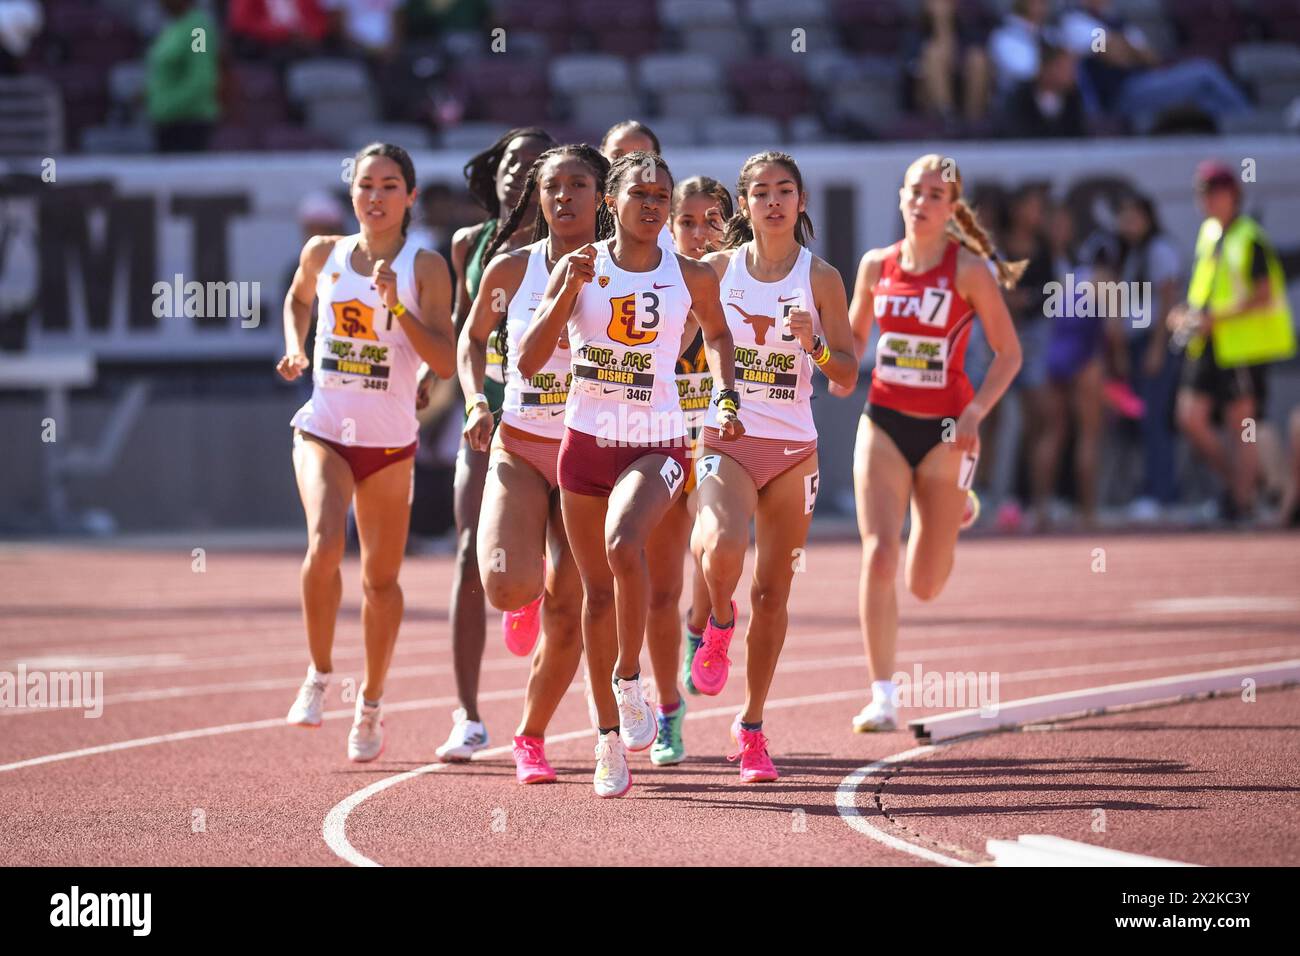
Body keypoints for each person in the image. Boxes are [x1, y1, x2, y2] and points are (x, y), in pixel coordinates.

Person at [516, 151, 741, 798]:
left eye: (661, 196)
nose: (653, 205)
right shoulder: (576, 266)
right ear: (610, 201)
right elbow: (530, 363)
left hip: (658, 442)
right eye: (640, 193)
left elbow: (721, 337)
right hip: (584, 444)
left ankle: (633, 676)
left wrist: (724, 395)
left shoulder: (691, 273)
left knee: (623, 544)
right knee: (596, 596)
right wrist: (564, 293)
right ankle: (610, 739)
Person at [278, 142, 456, 761]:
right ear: (351, 194)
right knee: (326, 542)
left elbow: (443, 360)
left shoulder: (425, 266)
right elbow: (299, 297)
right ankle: (318, 674)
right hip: (324, 427)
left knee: (381, 581)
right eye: (364, 186)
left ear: (409, 197)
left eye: (388, 186)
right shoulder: (322, 253)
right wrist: (295, 346)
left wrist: (396, 306)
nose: (374, 197)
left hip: (388, 442)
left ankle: (372, 702)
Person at [689, 152, 858, 783]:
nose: (773, 201)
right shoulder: (716, 269)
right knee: (721, 547)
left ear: (802, 200)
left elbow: (845, 374)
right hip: (727, 435)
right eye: (760, 192)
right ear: (744, 206)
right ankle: (719, 624)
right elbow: (670, 338)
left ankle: (752, 728)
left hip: (794, 452)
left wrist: (811, 341)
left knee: (774, 593)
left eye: (784, 190)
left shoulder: (823, 278)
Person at [839, 153, 1022, 732]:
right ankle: (883, 695)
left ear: (951, 210)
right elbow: (851, 345)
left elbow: (1009, 354)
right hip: (885, 421)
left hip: (949, 431)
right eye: (915, 191)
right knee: (880, 552)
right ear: (901, 197)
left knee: (925, 583)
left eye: (936, 195)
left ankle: (952, 509)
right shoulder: (876, 266)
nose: (922, 202)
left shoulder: (967, 270)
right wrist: (817, 354)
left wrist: (974, 412)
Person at [458, 143, 610, 783]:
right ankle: (527, 573)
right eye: (554, 186)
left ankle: (530, 736)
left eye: (579, 184)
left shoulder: (621, 271)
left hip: (588, 455)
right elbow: (470, 341)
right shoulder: (509, 269)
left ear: (602, 195)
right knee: (505, 585)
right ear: (537, 197)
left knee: (569, 607)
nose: (565, 196)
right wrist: (474, 402)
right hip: (520, 446)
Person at [434, 127, 555, 762]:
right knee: (464, 553)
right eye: (510, 161)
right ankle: (468, 715)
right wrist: (464, 395)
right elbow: (466, 332)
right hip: (489, 416)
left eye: (533, 165)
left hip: (561, 415)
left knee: (562, 561)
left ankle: (530, 593)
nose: (517, 172)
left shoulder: (575, 245)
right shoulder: (468, 245)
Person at [641, 175, 733, 767]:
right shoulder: (656, 281)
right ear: (670, 227)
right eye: (688, 223)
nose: (699, 235)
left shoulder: (742, 275)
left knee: (714, 553)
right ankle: (669, 712)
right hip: (660, 439)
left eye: (712, 223)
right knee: (660, 591)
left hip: (719, 438)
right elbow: (665, 353)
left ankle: (709, 626)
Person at [1171, 160, 1295, 523]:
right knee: (1190, 418)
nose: (1205, 200)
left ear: (1232, 195)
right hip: (1206, 343)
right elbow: (1205, 289)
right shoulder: (1209, 233)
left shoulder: (1249, 237)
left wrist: (1214, 319)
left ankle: (1242, 503)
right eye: (1200, 193)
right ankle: (1243, 487)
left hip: (1240, 346)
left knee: (1243, 426)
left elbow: (1263, 294)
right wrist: (1186, 314)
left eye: (1212, 192)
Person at [1115, 193, 1182, 520]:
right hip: (1137, 343)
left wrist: (1157, 347)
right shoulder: (1132, 253)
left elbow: (1168, 301)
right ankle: (1153, 489)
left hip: (1155, 343)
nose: (1127, 224)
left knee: (1155, 419)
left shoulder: (1159, 250)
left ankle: (1161, 494)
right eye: (1123, 217)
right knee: (1143, 420)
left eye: (1133, 217)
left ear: (1149, 218)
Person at [146, 0, 219, 153]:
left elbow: (202, 78)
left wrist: (168, 106)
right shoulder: (172, 27)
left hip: (189, 123)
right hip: (165, 122)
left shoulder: (197, 29)